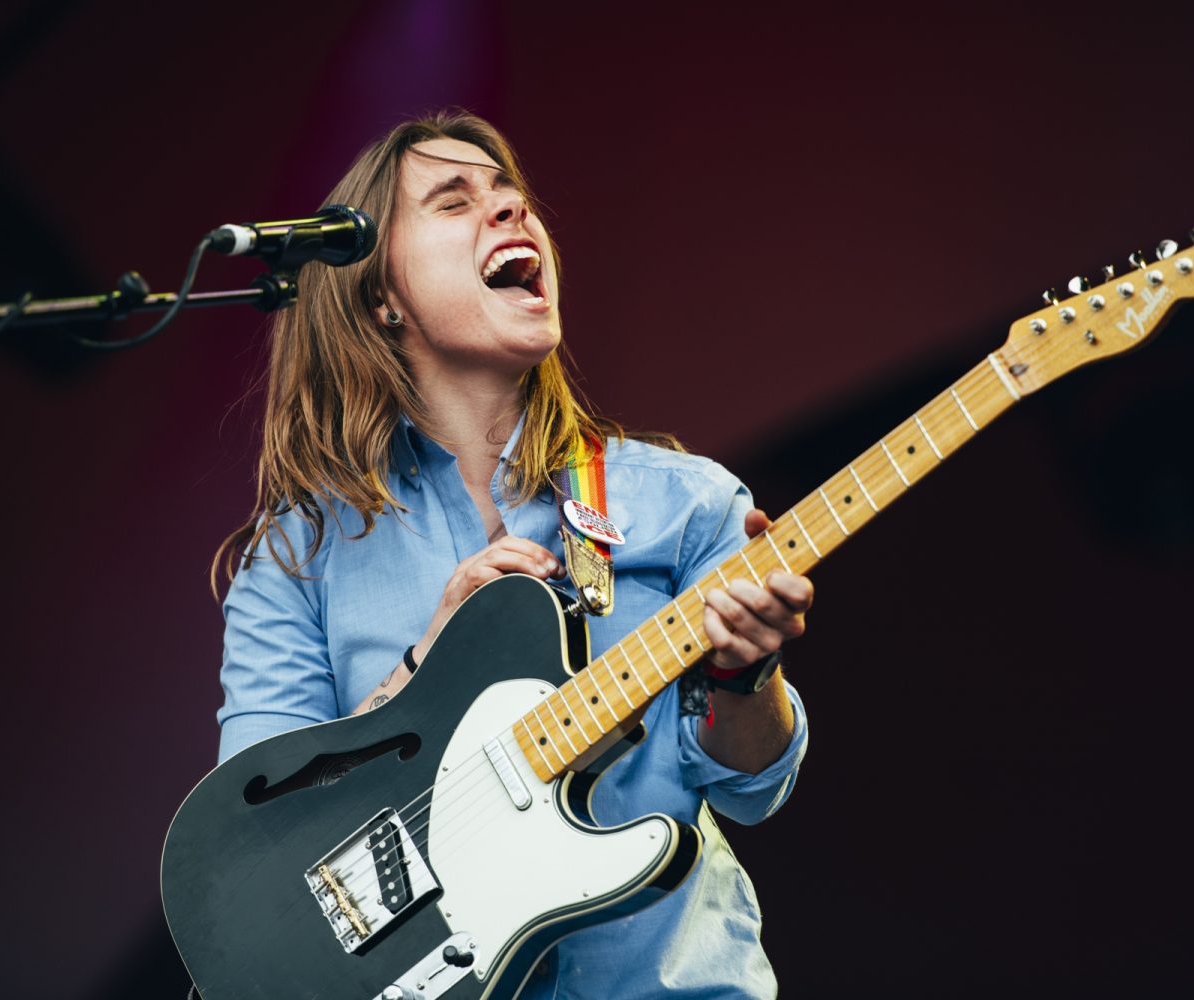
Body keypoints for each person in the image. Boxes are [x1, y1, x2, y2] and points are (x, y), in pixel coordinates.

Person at [214, 110, 813, 999]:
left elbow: (751, 787)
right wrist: (422, 670)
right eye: (454, 201)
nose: (512, 210)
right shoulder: (298, 558)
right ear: (381, 296)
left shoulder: (684, 502)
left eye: (512, 194)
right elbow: (252, 840)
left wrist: (746, 677)